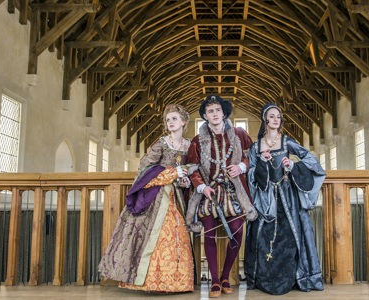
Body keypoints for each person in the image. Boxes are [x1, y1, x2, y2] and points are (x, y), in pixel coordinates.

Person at [98, 104, 194, 293]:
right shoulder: (161, 143)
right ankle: (148, 282)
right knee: (152, 236)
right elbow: (144, 169)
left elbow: (190, 169)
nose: (170, 122)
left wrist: (184, 180)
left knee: (177, 236)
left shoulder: (189, 145)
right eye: (168, 120)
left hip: (175, 198)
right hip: (155, 197)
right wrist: (171, 173)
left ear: (183, 121)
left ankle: (175, 283)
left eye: (174, 118)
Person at [244, 102, 326, 295]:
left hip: (287, 196)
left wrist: (292, 166)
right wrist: (262, 165)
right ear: (265, 120)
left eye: (278, 116)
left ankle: (293, 276)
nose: (275, 119)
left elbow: (312, 161)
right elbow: (251, 174)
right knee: (262, 237)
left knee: (290, 235)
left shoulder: (287, 142)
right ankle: (264, 277)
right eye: (271, 116)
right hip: (265, 199)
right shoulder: (256, 147)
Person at [185, 95, 258, 298]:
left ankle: (226, 276)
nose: (214, 114)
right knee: (209, 231)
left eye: (218, 110)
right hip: (210, 193)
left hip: (234, 191)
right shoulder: (197, 141)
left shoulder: (239, 134)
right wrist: (202, 188)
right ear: (205, 116)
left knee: (236, 230)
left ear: (224, 113)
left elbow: (252, 156)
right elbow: (192, 168)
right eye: (210, 111)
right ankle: (215, 281)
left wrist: (242, 166)